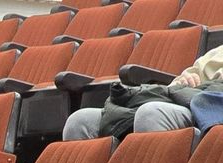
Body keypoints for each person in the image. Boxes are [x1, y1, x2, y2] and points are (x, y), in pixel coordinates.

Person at [63, 43, 223, 139]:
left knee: (150, 113)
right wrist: (183, 80)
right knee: (80, 121)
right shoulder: (216, 53)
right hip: (183, 98)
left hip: (210, 108)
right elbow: (177, 84)